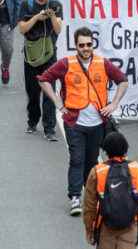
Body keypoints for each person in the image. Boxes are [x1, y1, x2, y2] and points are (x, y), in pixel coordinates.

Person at [38, 26, 129, 215]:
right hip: (74, 122)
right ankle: (74, 197)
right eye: (82, 45)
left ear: (92, 44)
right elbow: (44, 79)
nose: (86, 48)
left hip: (97, 124)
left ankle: (90, 195)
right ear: (76, 46)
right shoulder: (66, 63)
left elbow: (123, 80)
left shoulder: (102, 63)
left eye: (89, 44)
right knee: (77, 159)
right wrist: (58, 104)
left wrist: (114, 104)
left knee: (91, 161)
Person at [82, 132, 138, 249]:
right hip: (131, 223)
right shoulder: (137, 168)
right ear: (125, 149)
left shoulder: (97, 172)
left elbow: (89, 206)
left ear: (105, 151)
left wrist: (89, 229)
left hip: (106, 224)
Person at [19, 0, 62, 140]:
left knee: (49, 90)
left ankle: (49, 128)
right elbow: (22, 29)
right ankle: (32, 120)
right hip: (32, 54)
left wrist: (51, 17)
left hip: (50, 53)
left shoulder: (56, 5)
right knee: (33, 91)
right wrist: (37, 17)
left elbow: (58, 30)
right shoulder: (27, 5)